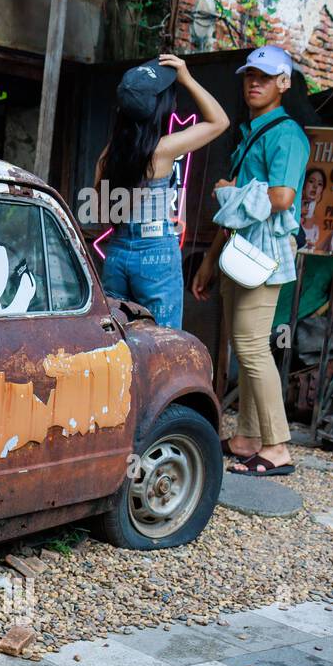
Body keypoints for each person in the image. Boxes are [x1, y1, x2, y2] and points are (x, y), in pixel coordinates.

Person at [192, 45, 310, 477]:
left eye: (265, 76)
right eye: (249, 76)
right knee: (245, 345)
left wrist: (229, 191)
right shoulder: (252, 130)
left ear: (284, 83)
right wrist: (209, 261)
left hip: (266, 254)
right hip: (238, 251)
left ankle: (277, 446)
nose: (254, 82)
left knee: (253, 348)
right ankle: (246, 438)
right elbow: (237, 211)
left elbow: (282, 198)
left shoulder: (288, 135)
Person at [94, 54, 229, 329]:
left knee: (116, 340)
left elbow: (100, 211)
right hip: (155, 252)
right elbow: (219, 121)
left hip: (117, 254)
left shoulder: (108, 155)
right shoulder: (162, 150)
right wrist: (187, 78)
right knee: (164, 344)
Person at [300, 166, 325, 248]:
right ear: (304, 184)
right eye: (311, 181)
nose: (315, 186)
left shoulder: (315, 230)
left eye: (320, 184)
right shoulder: (291, 209)